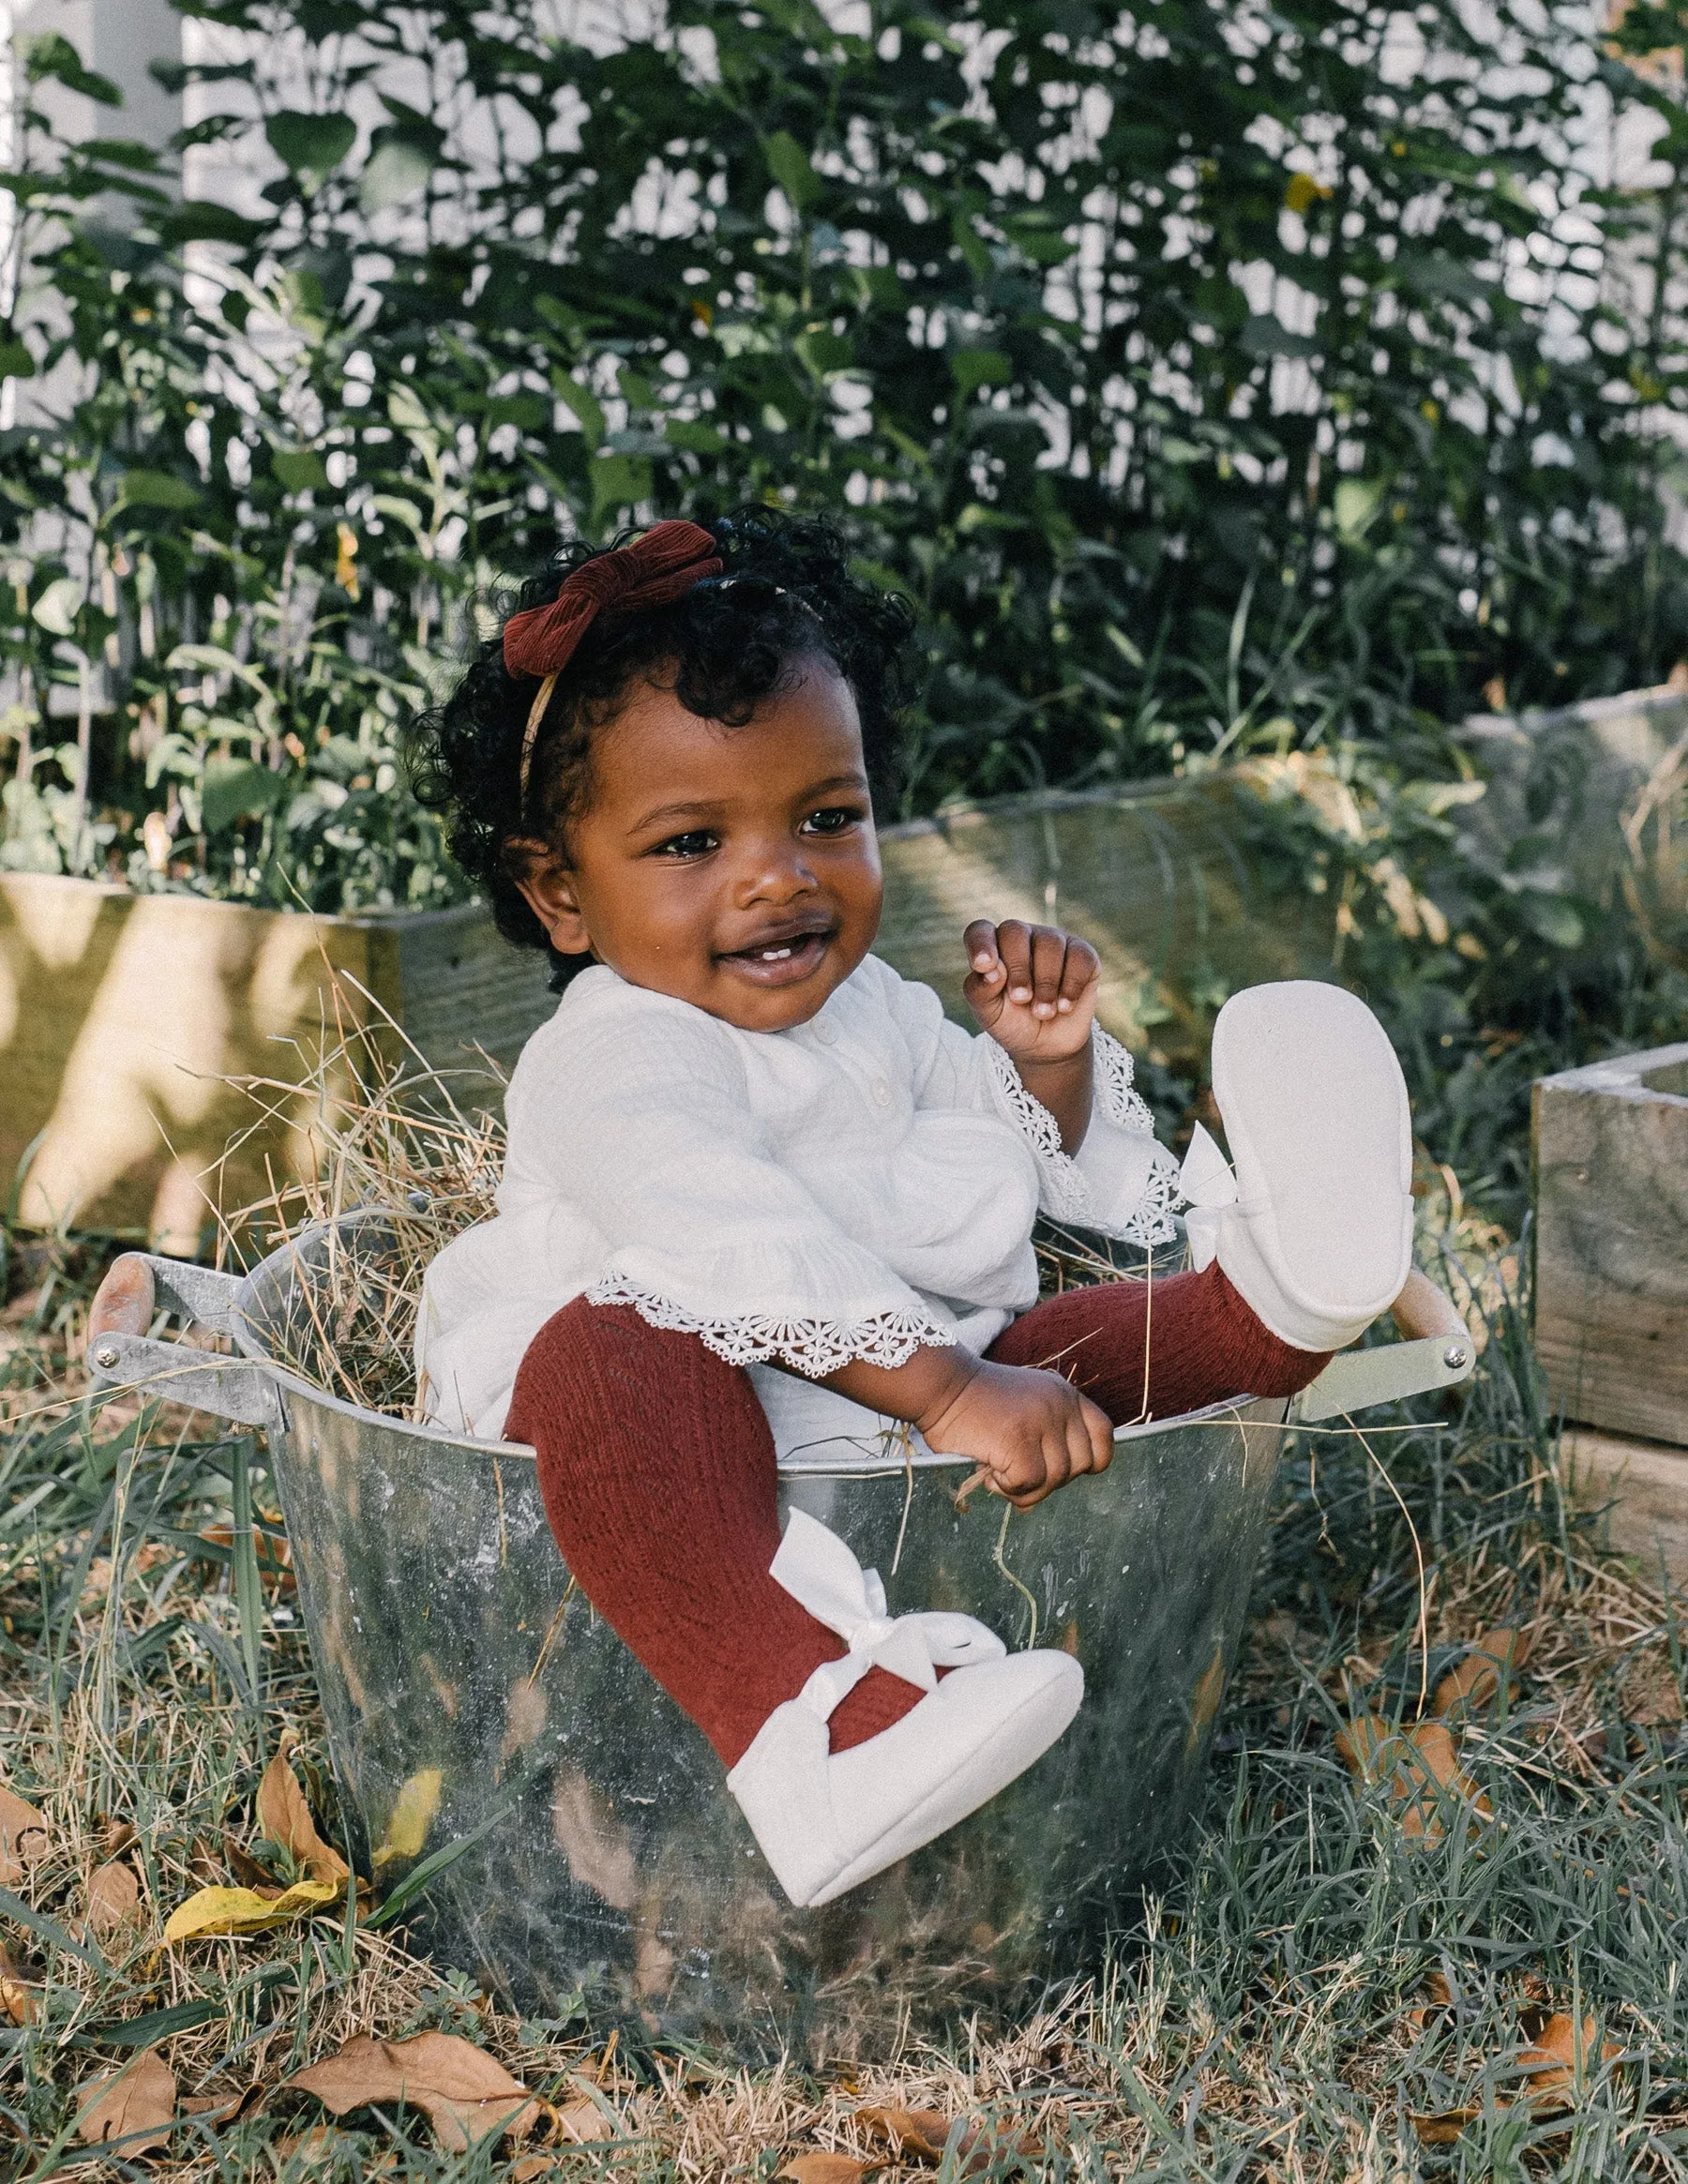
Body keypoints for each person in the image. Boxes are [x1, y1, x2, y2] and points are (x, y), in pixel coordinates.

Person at [405, 512, 1415, 1908]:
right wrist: (948, 1391)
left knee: (1064, 1337)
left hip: (889, 1392)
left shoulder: (871, 1008)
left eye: (828, 816)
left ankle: (1274, 1308)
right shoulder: (615, 1052)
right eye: (693, 840)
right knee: (614, 1347)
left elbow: (987, 1164)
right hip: (661, 1447)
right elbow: (726, 1234)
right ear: (558, 893)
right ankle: (807, 1734)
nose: (781, 874)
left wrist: (1043, 1072)